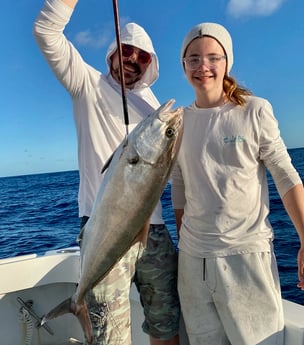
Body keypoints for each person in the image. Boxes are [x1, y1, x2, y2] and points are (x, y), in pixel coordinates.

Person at [33, 1, 180, 344]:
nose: (132, 60)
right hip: (102, 227)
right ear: (113, 52)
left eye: (142, 57)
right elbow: (46, 31)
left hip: (153, 233)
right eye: (126, 51)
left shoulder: (155, 108)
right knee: (109, 336)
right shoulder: (87, 84)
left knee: (166, 325)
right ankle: (78, 303)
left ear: (150, 65)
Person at [171, 22, 304, 345]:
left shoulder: (254, 110)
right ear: (183, 65)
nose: (203, 66)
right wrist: (187, 244)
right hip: (193, 264)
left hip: (246, 256)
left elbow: (285, 175)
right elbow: (179, 187)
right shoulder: (178, 123)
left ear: (227, 63)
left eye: (213, 57)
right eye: (193, 58)